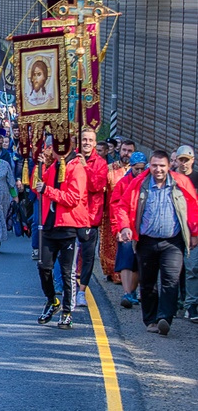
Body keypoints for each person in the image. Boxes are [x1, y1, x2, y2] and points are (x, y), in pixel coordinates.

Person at [115, 150, 198, 335]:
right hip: (146, 241)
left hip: (173, 241)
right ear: (149, 166)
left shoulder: (181, 182)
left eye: (162, 166)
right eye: (154, 165)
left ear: (169, 166)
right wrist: (124, 227)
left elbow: (193, 206)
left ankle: (164, 319)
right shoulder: (139, 183)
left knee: (171, 280)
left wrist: (194, 232)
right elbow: (122, 206)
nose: (158, 169)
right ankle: (151, 320)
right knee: (148, 282)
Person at [34, 137, 89, 329]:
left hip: (68, 227)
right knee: (43, 267)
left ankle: (67, 311)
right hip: (50, 226)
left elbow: (74, 198)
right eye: (55, 148)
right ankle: (52, 301)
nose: (58, 151)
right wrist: (38, 165)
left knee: (67, 272)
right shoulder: (54, 166)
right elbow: (36, 187)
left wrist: (48, 190)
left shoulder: (76, 168)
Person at [75, 127, 109, 307]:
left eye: (90, 140)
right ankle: (68, 285)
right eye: (84, 140)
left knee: (88, 255)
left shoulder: (100, 163)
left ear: (95, 143)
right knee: (69, 253)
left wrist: (85, 167)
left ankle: (82, 290)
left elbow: (96, 185)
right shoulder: (71, 158)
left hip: (90, 215)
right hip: (72, 213)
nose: (87, 143)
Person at [108, 151, 147, 308]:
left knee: (138, 261)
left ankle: (132, 291)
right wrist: (117, 228)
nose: (139, 172)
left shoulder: (147, 182)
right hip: (125, 228)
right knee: (125, 259)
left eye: (141, 168)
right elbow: (115, 207)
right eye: (136, 168)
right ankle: (126, 292)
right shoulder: (123, 183)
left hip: (141, 228)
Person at [101, 140, 135, 283]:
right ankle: (113, 272)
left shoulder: (135, 171)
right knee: (110, 245)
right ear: (119, 151)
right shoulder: (109, 169)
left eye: (129, 151)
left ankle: (126, 274)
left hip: (129, 216)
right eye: (124, 150)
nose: (126, 153)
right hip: (110, 214)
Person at [175, 146, 198, 321]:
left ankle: (190, 304)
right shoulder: (171, 178)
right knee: (174, 268)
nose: (183, 163)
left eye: (186, 160)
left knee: (192, 267)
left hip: (193, 230)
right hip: (174, 229)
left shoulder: (196, 178)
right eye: (181, 160)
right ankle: (174, 301)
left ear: (193, 160)